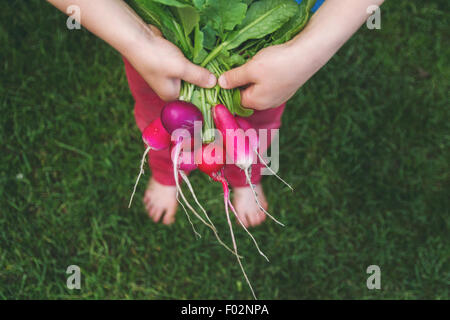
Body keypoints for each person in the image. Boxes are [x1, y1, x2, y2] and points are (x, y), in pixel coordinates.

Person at [48, 0, 384, 227]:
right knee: (161, 118)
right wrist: (137, 41)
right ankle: (167, 172)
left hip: (268, 50)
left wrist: (309, 51)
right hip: (161, 42)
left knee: (260, 124)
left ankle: (245, 179)